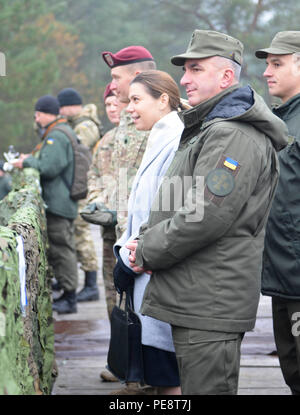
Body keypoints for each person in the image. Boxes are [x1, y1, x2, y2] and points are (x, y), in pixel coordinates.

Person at [126, 29, 288, 395]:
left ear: (226, 77)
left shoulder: (232, 136)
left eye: (196, 69)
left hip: (210, 302)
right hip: (197, 295)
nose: (184, 79)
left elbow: (206, 215)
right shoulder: (211, 128)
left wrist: (148, 249)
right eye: (185, 70)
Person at [113, 70, 186, 395]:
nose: (129, 107)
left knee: (168, 379)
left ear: (164, 100)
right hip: (144, 271)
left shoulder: (175, 143)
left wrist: (129, 261)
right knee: (158, 377)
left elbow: (169, 217)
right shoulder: (158, 137)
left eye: (136, 99)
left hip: (157, 276)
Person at [255, 31, 300, 395]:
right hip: (281, 275)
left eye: (277, 63)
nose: (267, 72)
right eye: (267, 64)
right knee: (292, 371)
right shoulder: (278, 119)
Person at [13, 95, 79, 314]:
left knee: (63, 249)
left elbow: (49, 167)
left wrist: (27, 161)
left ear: (48, 113)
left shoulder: (57, 136)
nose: (37, 118)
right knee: (63, 247)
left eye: (38, 113)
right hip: (62, 200)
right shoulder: (60, 131)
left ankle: (70, 297)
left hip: (59, 202)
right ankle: (67, 290)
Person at [100, 46, 156, 239]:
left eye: (116, 78)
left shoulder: (163, 121)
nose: (112, 86)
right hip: (125, 234)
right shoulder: (127, 120)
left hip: (147, 241)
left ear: (137, 76)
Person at [84, 83, 127, 321]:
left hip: (135, 231)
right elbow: (93, 174)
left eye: (115, 103)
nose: (111, 109)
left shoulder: (151, 135)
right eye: (107, 105)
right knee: (111, 289)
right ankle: (118, 348)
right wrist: (96, 201)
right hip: (109, 231)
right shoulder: (106, 140)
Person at [57, 88, 102, 303]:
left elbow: (74, 151)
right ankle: (80, 281)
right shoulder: (79, 123)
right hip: (79, 185)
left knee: (81, 232)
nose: (61, 111)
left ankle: (91, 284)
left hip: (83, 186)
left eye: (63, 107)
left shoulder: (85, 126)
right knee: (76, 232)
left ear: (71, 106)